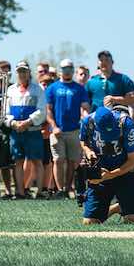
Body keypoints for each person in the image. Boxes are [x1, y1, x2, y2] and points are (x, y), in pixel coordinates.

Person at [79, 105, 134, 225]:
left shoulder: (125, 124)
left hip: (126, 171)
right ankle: (118, 207)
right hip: (101, 171)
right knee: (89, 222)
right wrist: (89, 152)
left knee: (132, 219)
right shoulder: (88, 122)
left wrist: (110, 175)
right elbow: (83, 141)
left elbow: (132, 161)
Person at [46, 59, 87, 199]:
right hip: (57, 130)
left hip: (74, 130)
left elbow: (85, 107)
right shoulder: (52, 88)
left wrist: (85, 116)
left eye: (70, 68)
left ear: (73, 70)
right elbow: (48, 110)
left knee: (71, 160)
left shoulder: (79, 88)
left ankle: (68, 188)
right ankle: (60, 190)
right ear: (60, 70)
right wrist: (54, 126)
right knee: (58, 159)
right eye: (64, 68)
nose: (67, 71)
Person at [4, 61, 45, 199]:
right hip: (16, 132)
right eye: (19, 71)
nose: (22, 74)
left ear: (29, 73)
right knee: (18, 161)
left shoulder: (38, 89)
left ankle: (39, 192)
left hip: (33, 131)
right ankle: (20, 192)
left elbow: (42, 110)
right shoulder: (10, 90)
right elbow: (6, 112)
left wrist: (28, 122)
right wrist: (13, 123)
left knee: (36, 161)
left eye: (24, 71)